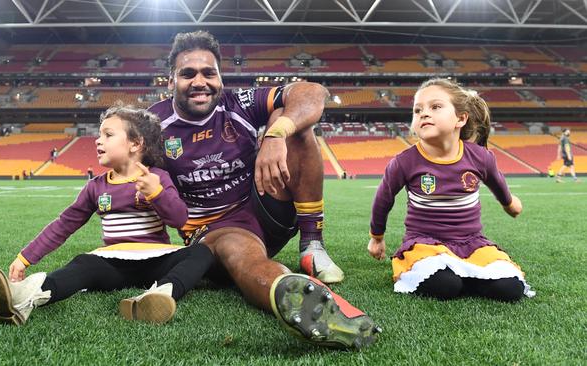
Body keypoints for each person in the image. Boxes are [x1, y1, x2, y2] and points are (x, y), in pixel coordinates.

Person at [148, 30, 379, 349]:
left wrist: (275, 135)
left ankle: (312, 245)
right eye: (188, 74)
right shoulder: (152, 124)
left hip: (264, 205)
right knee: (244, 259)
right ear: (170, 81)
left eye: (209, 73)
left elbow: (311, 91)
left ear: (220, 77)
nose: (199, 81)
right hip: (216, 231)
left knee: (291, 121)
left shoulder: (236, 103)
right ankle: (295, 294)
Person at [0, 105, 214, 325]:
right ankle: (25, 296)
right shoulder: (95, 187)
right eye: (99, 135)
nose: (98, 140)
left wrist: (157, 193)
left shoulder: (158, 177)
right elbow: (63, 226)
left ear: (135, 143)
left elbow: (180, 219)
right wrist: (24, 259)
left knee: (201, 252)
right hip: (113, 265)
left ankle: (159, 295)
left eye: (108, 135)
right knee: (83, 264)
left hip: (157, 259)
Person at [367, 78, 534, 302]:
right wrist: (376, 238)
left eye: (435, 107)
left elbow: (498, 183)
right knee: (445, 286)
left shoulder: (480, 157)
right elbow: (383, 199)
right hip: (425, 243)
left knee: (510, 289)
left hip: (471, 242)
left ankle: (470, 274)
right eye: (418, 110)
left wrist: (510, 204)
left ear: (461, 118)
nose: (424, 113)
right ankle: (458, 278)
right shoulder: (404, 162)